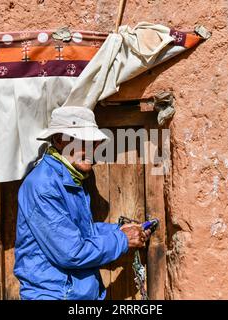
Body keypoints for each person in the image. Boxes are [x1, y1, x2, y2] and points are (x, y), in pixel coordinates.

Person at [14, 106, 150, 300]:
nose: (92, 149)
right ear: (59, 140)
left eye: (94, 143)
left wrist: (119, 230)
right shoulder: (43, 185)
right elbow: (72, 252)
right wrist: (122, 239)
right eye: (83, 141)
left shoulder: (72, 177)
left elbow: (80, 231)